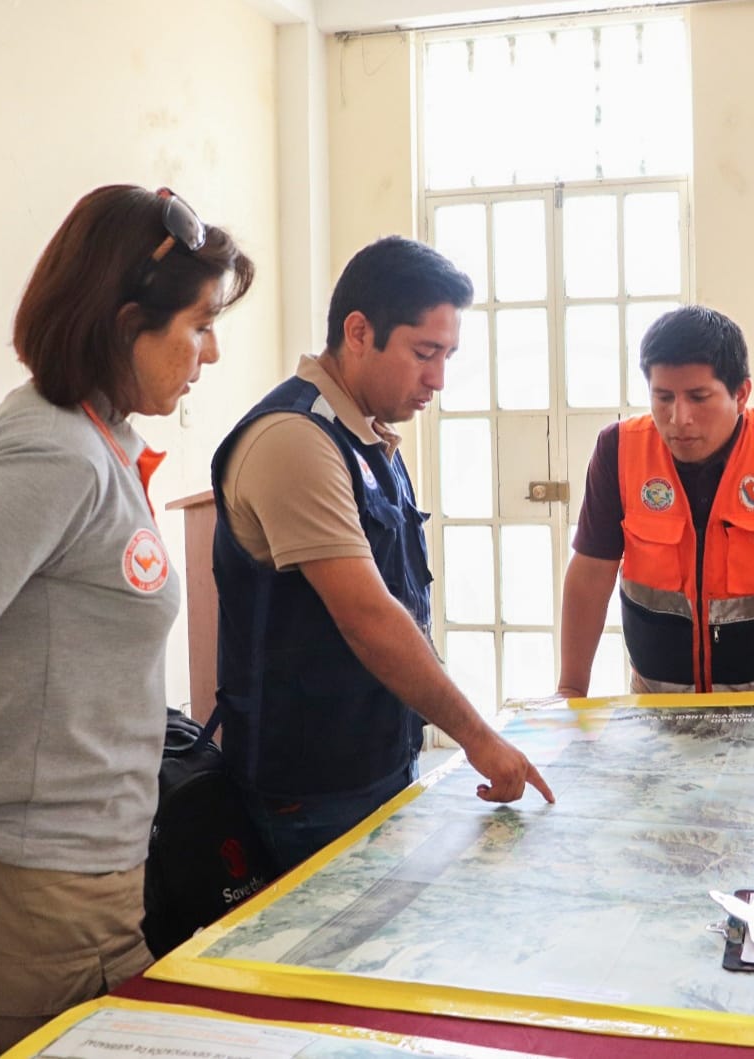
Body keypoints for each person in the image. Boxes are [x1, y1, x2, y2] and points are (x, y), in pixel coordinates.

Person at [0, 185, 255, 1058]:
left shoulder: (92, 436)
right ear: (128, 318)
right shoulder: (52, 450)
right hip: (30, 897)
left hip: (74, 877)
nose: (209, 352)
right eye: (199, 324)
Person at [212, 235, 554, 873]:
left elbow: (404, 602)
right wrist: (479, 739)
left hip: (375, 764)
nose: (438, 379)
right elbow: (369, 619)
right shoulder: (296, 439)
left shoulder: (365, 436)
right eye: (425, 353)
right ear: (360, 330)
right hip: (313, 789)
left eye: (448, 356)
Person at [557, 305, 754, 696]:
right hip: (660, 713)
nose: (679, 418)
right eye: (663, 397)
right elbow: (590, 574)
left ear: (741, 393)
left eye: (699, 397)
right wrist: (571, 689)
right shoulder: (619, 450)